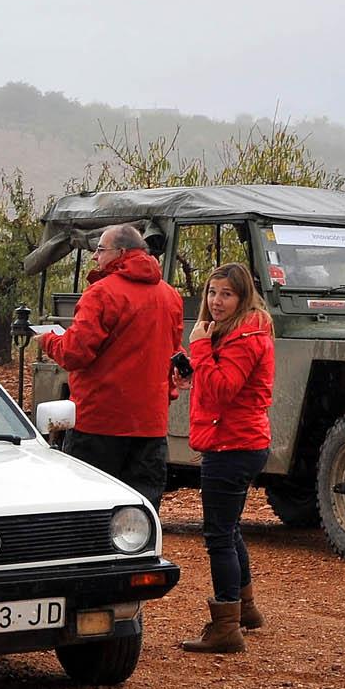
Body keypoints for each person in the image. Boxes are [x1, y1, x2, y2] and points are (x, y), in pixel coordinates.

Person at [35, 224, 183, 509]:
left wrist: (49, 341)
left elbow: (75, 354)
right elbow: (173, 353)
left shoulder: (101, 294)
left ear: (121, 253)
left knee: (91, 508)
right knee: (141, 511)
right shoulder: (169, 296)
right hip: (150, 424)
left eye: (100, 250)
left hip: (99, 422)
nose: (94, 257)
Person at [176, 261, 276, 654]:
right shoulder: (234, 333)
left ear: (242, 297)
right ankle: (245, 609)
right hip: (237, 440)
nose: (217, 302)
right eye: (212, 293)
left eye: (226, 294)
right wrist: (193, 369)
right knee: (230, 528)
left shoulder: (245, 337)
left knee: (218, 535)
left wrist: (199, 348)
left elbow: (222, 391)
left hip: (232, 445)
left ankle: (226, 627)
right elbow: (216, 384)